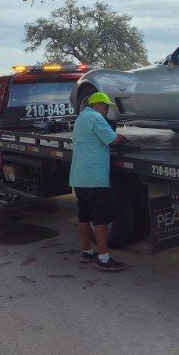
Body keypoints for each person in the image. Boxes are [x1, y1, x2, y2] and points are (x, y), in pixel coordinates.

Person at [69, 91, 128, 271]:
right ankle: (103, 258)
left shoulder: (81, 118)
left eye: (108, 107)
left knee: (84, 216)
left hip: (79, 177)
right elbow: (112, 139)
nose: (107, 110)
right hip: (94, 177)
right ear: (95, 105)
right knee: (100, 218)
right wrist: (120, 138)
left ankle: (87, 251)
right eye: (104, 106)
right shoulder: (96, 118)